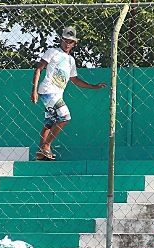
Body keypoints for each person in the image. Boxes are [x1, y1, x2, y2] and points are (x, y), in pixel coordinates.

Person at [30, 27, 107, 161]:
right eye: (65, 41)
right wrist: (34, 91)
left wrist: (93, 87)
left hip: (56, 94)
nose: (67, 44)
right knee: (65, 116)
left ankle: (41, 152)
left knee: (50, 121)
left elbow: (74, 80)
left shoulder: (71, 60)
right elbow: (39, 69)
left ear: (74, 43)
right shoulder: (53, 52)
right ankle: (46, 145)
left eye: (70, 42)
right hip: (48, 91)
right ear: (61, 40)